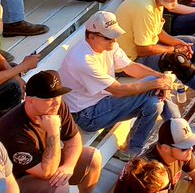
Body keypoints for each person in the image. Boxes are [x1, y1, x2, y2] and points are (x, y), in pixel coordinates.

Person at [59, 11, 179, 162]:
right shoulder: (82, 60)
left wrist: (161, 78)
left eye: (115, 36)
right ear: (91, 36)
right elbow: (118, 90)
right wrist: (157, 83)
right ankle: (178, 129)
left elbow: (130, 66)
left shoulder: (108, 45)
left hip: (103, 102)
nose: (114, 41)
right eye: (108, 37)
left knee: (154, 104)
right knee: (152, 89)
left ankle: (132, 150)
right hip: (87, 115)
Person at [0, 70, 103, 192]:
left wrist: (68, 166)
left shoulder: (55, 107)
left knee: (92, 157)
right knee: (59, 185)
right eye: (49, 99)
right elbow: (46, 173)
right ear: (30, 100)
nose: (56, 102)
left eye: (59, 95)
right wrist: (54, 131)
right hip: (13, 183)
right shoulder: (12, 130)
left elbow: (73, 140)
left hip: (45, 163)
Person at [140, 118, 195, 193]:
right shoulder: (150, 171)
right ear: (165, 148)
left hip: (172, 187)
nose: (191, 149)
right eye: (184, 147)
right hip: (157, 189)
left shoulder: (181, 153)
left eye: (190, 144)